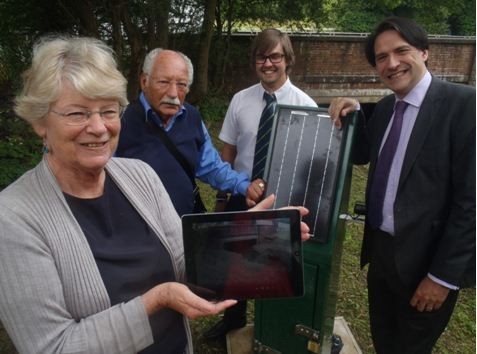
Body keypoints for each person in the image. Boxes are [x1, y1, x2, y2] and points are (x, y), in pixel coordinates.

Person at [0, 35, 311, 354]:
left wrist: (243, 235)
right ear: (40, 121)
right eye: (77, 113)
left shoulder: (141, 177)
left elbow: (184, 262)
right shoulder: (13, 219)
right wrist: (155, 301)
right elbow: (51, 348)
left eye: (108, 111)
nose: (98, 127)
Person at [328, 17, 475, 354]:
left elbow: (472, 202)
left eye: (401, 51)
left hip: (427, 262)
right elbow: (363, 154)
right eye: (381, 57)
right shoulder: (384, 108)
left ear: (424, 52)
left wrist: (441, 278)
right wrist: (352, 115)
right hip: (381, 254)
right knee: (384, 339)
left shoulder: (465, 105)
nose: (392, 63)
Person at [204, 28, 318, 340]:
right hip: (243, 197)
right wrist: (222, 198)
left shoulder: (306, 105)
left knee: (275, 269)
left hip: (282, 201)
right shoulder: (240, 101)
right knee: (236, 264)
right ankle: (233, 321)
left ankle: (274, 329)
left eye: (275, 56)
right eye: (261, 57)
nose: (268, 63)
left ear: (288, 60)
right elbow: (228, 153)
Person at [115, 48, 265, 217]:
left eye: (181, 85)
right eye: (164, 82)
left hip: (183, 227)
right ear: (144, 82)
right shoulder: (120, 122)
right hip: (138, 230)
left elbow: (211, 167)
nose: (173, 93)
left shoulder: (191, 117)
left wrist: (245, 186)